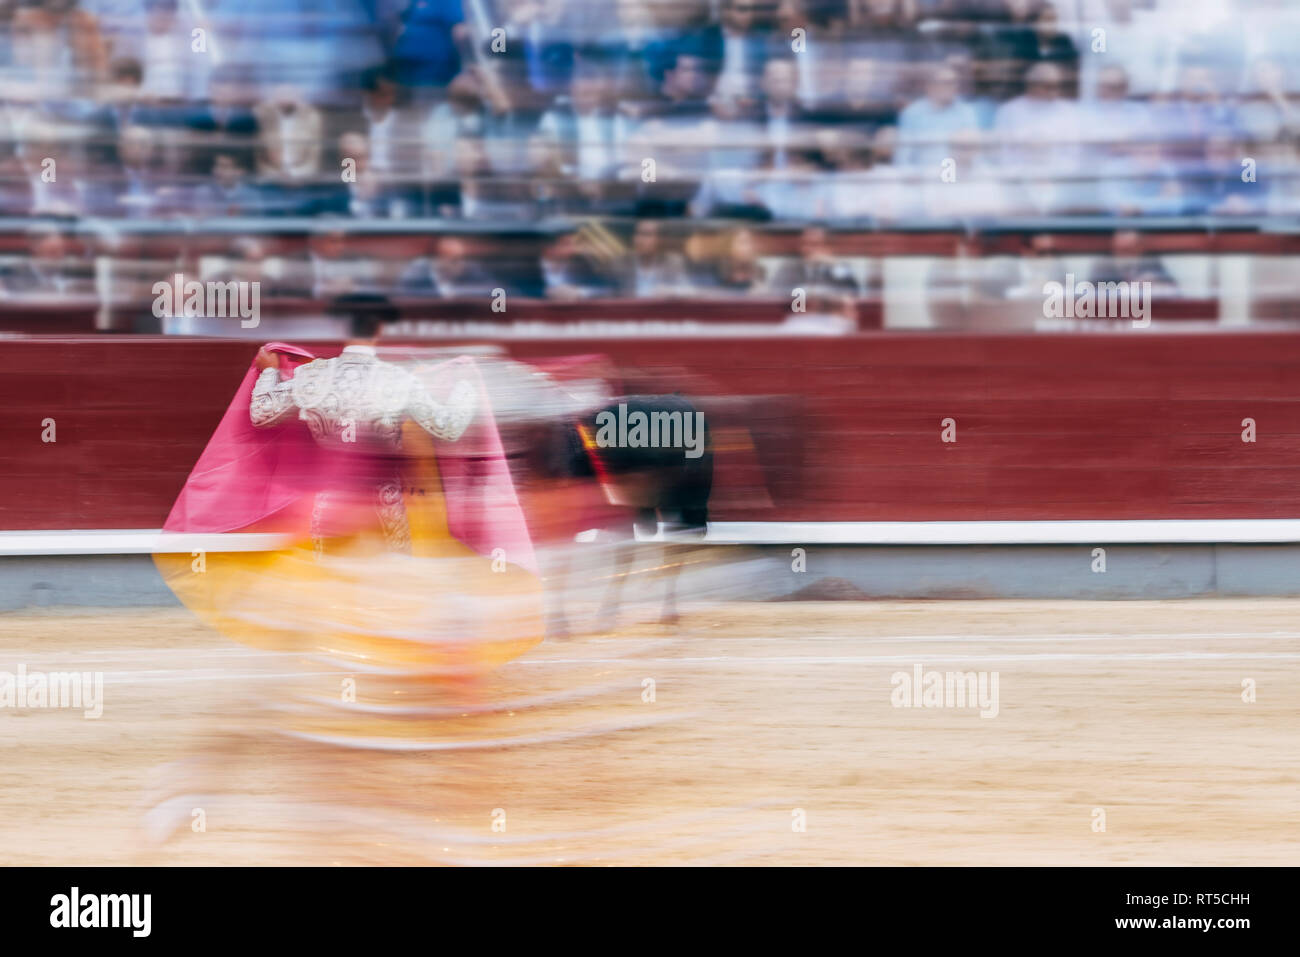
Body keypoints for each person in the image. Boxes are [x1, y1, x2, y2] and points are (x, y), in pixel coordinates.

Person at [153, 319, 545, 679]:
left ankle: (331, 670)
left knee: (331, 582)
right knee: (392, 581)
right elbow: (448, 426)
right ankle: (389, 666)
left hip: (329, 502)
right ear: (380, 329)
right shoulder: (398, 379)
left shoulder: (312, 376)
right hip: (387, 503)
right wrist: (466, 381)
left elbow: (262, 413)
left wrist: (271, 370)